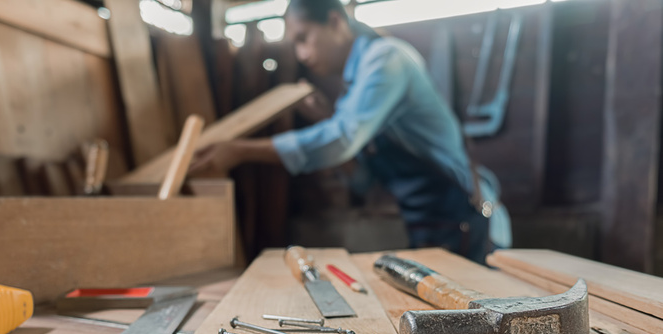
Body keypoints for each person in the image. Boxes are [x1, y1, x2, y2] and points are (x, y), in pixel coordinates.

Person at [190, 0, 511, 264]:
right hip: (426, 223)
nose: (301, 54)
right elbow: (362, 178)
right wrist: (326, 121)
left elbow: (341, 140)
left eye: (304, 38)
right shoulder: (354, 92)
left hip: (464, 217)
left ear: (334, 22)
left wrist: (240, 150)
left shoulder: (387, 59)